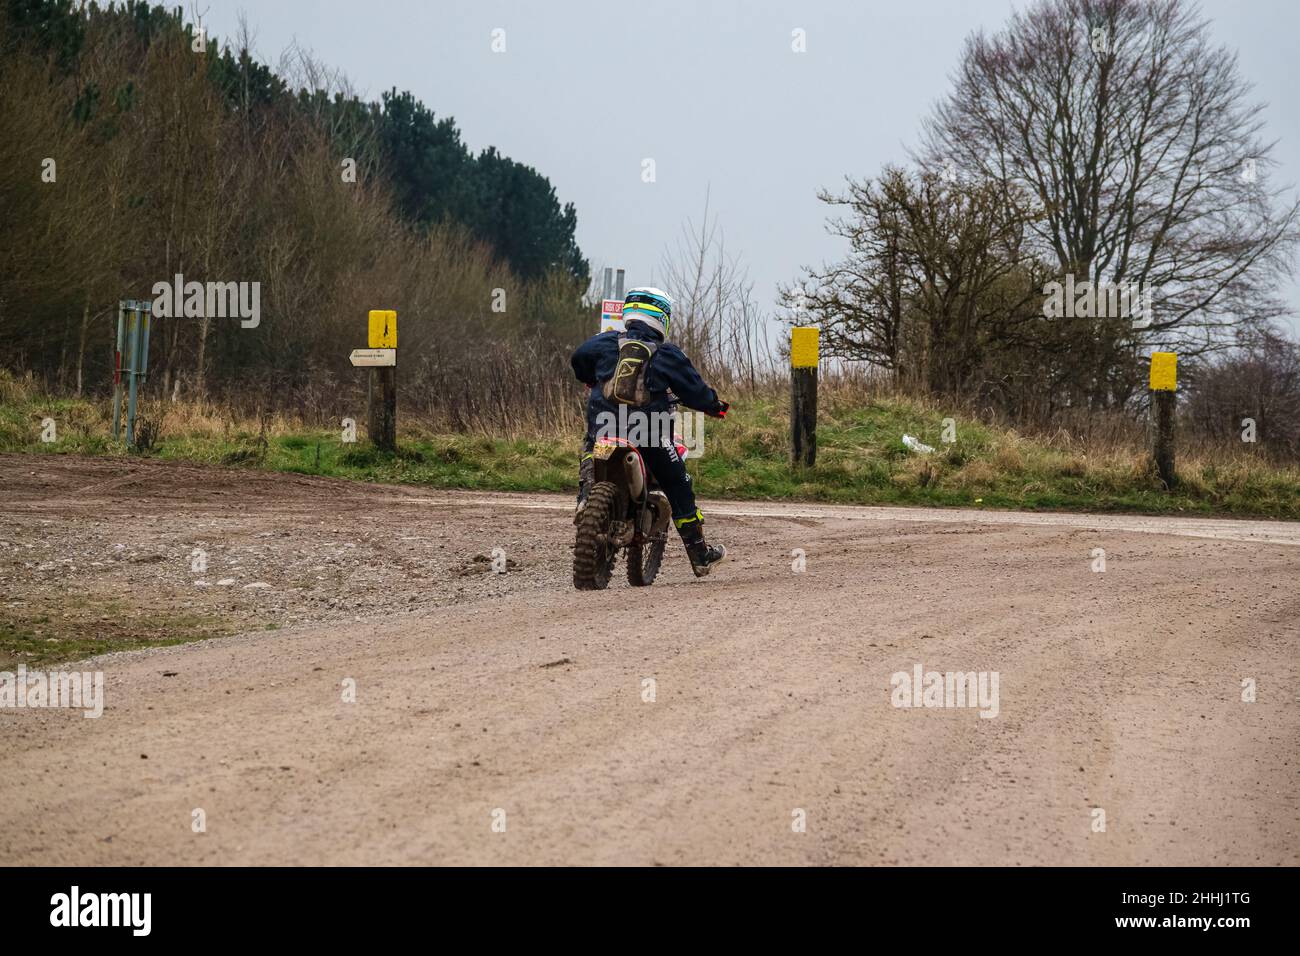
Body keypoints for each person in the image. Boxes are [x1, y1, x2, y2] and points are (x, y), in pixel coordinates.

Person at [570, 287, 729, 577]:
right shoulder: (668, 353)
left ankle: (584, 497)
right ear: (662, 317)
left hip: (604, 426)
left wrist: (590, 379)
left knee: (590, 448)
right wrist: (715, 406)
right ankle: (700, 554)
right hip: (649, 434)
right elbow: (695, 391)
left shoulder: (604, 342)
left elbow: (579, 358)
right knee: (679, 482)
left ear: (629, 313)